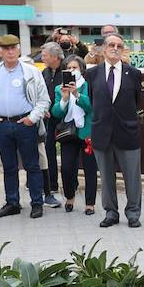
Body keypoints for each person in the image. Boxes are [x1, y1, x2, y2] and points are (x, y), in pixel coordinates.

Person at [0, 35, 49, 219]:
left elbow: (44, 99)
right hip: (1, 124)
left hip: (25, 124)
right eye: (6, 48)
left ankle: (36, 203)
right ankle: (12, 203)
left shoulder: (31, 71)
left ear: (19, 50)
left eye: (14, 48)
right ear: (0, 51)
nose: (10, 52)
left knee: (32, 165)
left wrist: (32, 118)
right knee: (9, 166)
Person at [84, 33, 143, 227]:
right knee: (106, 177)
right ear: (104, 48)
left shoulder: (133, 73)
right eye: (111, 44)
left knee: (132, 177)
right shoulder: (92, 74)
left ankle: (133, 213)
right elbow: (94, 101)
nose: (115, 48)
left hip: (127, 132)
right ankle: (111, 212)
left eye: (119, 45)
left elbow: (136, 101)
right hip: (102, 133)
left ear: (123, 49)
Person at [51, 56, 97, 215]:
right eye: (68, 68)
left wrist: (76, 94)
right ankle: (69, 197)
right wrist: (64, 99)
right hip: (68, 133)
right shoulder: (59, 89)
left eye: (75, 68)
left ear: (82, 69)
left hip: (86, 133)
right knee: (66, 168)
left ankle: (90, 203)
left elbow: (91, 107)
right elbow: (56, 112)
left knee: (90, 169)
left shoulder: (88, 86)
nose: (71, 71)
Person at [37, 42, 69, 208]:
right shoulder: (44, 72)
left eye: (45, 55)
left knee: (67, 153)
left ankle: (70, 185)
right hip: (47, 118)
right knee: (48, 150)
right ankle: (52, 184)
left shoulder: (67, 71)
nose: (42, 58)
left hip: (65, 118)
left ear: (55, 57)